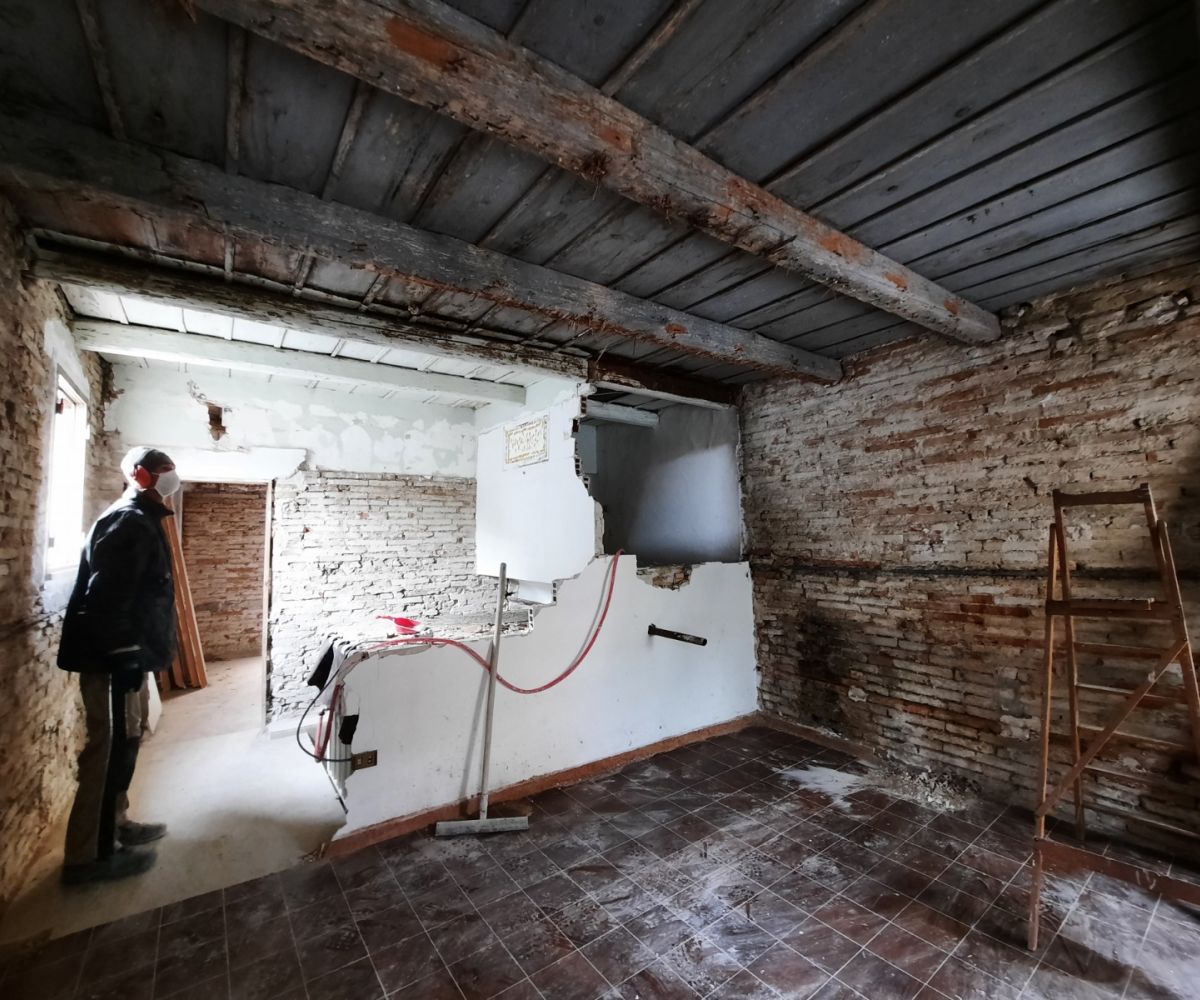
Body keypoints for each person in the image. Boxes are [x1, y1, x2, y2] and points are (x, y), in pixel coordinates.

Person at [57, 446, 181, 884]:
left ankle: (116, 823)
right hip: (110, 657)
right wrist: (124, 652)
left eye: (172, 469)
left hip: (127, 654)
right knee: (108, 749)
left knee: (126, 741)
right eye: (162, 470)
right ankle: (88, 857)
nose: (170, 476)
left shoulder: (142, 518)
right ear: (140, 476)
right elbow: (105, 597)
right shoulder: (127, 520)